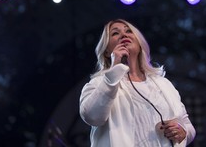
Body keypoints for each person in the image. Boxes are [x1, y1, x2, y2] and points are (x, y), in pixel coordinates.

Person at [79, 19, 196, 147]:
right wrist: (114, 71)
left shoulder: (164, 84)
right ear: (107, 51)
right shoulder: (99, 83)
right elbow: (92, 117)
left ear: (139, 44)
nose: (124, 35)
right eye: (115, 33)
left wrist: (182, 132)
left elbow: (187, 126)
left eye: (129, 31)